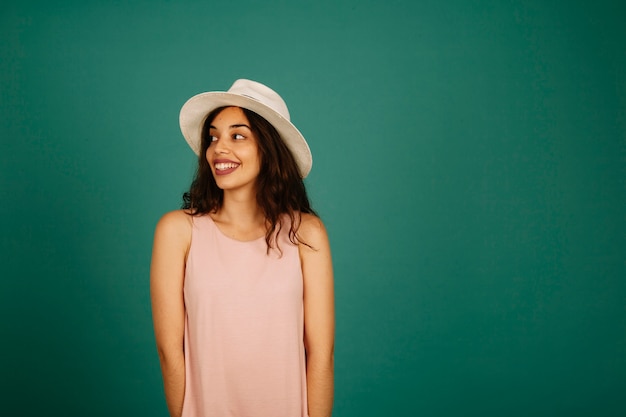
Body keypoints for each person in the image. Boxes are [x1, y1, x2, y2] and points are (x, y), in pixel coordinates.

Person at [150, 79, 335, 417]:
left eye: (238, 135)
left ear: (269, 149)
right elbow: (169, 351)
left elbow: (321, 355)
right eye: (213, 137)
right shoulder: (178, 231)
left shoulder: (306, 233)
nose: (219, 148)